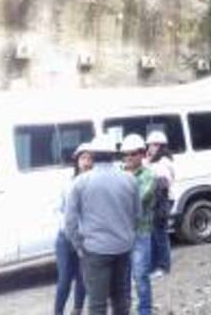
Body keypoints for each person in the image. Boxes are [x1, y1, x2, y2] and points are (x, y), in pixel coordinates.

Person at [65, 134, 140, 315]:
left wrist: (78, 245)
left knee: (97, 304)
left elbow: (70, 221)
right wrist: (128, 237)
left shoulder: (80, 182)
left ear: (92, 155)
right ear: (113, 155)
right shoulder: (130, 179)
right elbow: (137, 215)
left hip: (94, 250)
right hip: (122, 247)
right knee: (121, 300)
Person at [54, 142, 92, 315]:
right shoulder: (68, 183)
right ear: (76, 161)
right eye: (83, 158)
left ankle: (77, 310)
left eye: (90, 158)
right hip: (66, 238)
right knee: (64, 279)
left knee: (82, 277)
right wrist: (67, 225)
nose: (86, 162)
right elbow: (57, 208)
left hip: (85, 239)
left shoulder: (95, 184)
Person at [121, 134, 156, 315]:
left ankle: (145, 311)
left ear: (142, 154)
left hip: (141, 232)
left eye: (133, 153)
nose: (128, 157)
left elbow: (137, 201)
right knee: (122, 278)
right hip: (121, 234)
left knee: (140, 275)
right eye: (125, 154)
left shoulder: (148, 176)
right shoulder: (118, 173)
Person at [145, 130, 175, 277]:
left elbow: (163, 184)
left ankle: (163, 267)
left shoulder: (163, 162)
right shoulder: (155, 161)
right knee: (154, 234)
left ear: (160, 146)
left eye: (153, 145)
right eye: (150, 145)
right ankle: (155, 265)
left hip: (161, 201)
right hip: (156, 201)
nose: (150, 148)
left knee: (160, 235)